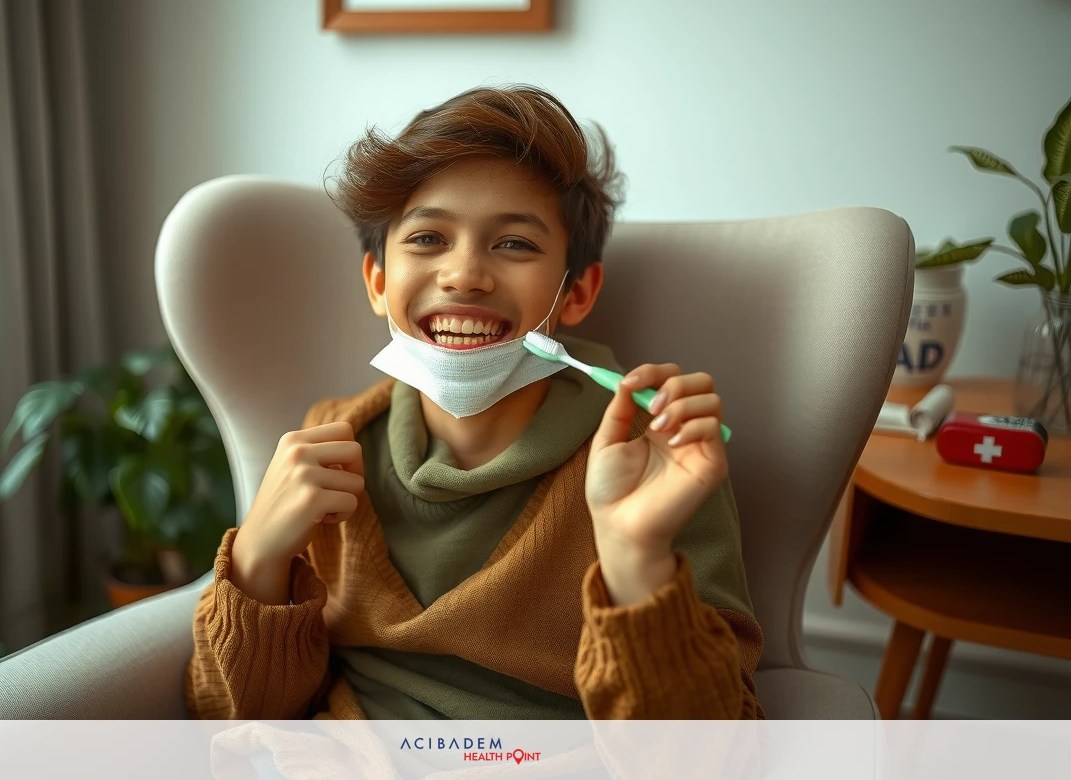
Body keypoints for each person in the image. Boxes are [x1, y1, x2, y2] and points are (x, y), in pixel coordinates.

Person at [186, 85, 764, 720]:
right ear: (378, 283)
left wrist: (636, 560)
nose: (464, 275)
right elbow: (232, 716)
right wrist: (258, 560)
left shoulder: (663, 463)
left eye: (514, 244)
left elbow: (710, 751)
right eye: (428, 238)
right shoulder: (329, 440)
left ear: (575, 293)